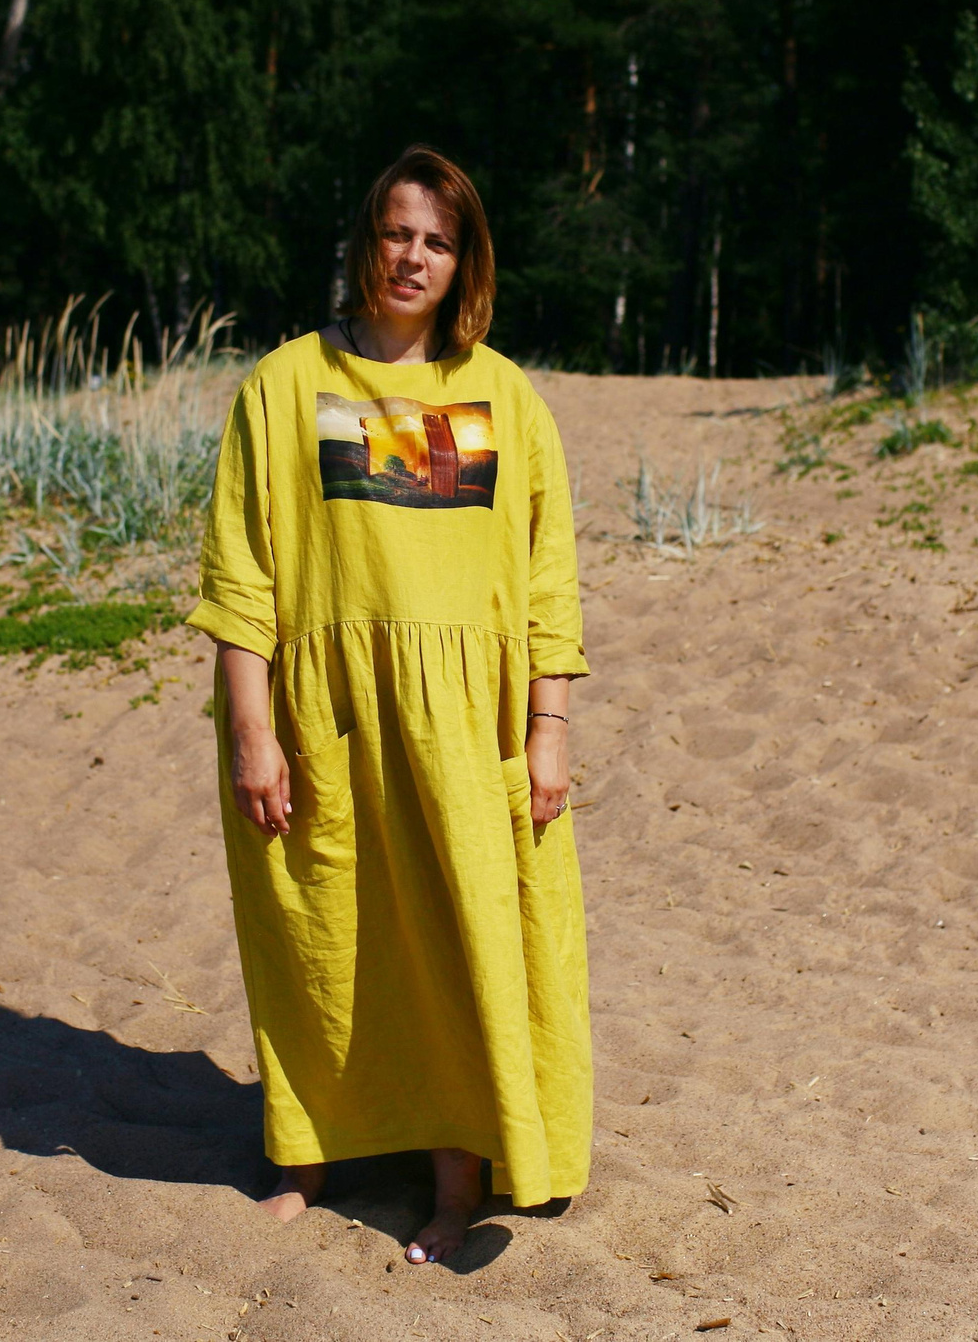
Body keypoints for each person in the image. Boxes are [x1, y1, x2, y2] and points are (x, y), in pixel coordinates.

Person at [187, 144, 591, 1266]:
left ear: (464, 263)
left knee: (464, 937)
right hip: (323, 715)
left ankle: (455, 1181)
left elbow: (547, 576)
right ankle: (307, 1157)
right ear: (364, 240)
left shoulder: (504, 395)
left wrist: (547, 729)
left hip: (469, 723)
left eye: (438, 239)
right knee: (318, 929)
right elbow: (240, 573)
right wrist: (253, 732)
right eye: (396, 231)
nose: (412, 256)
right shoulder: (280, 386)